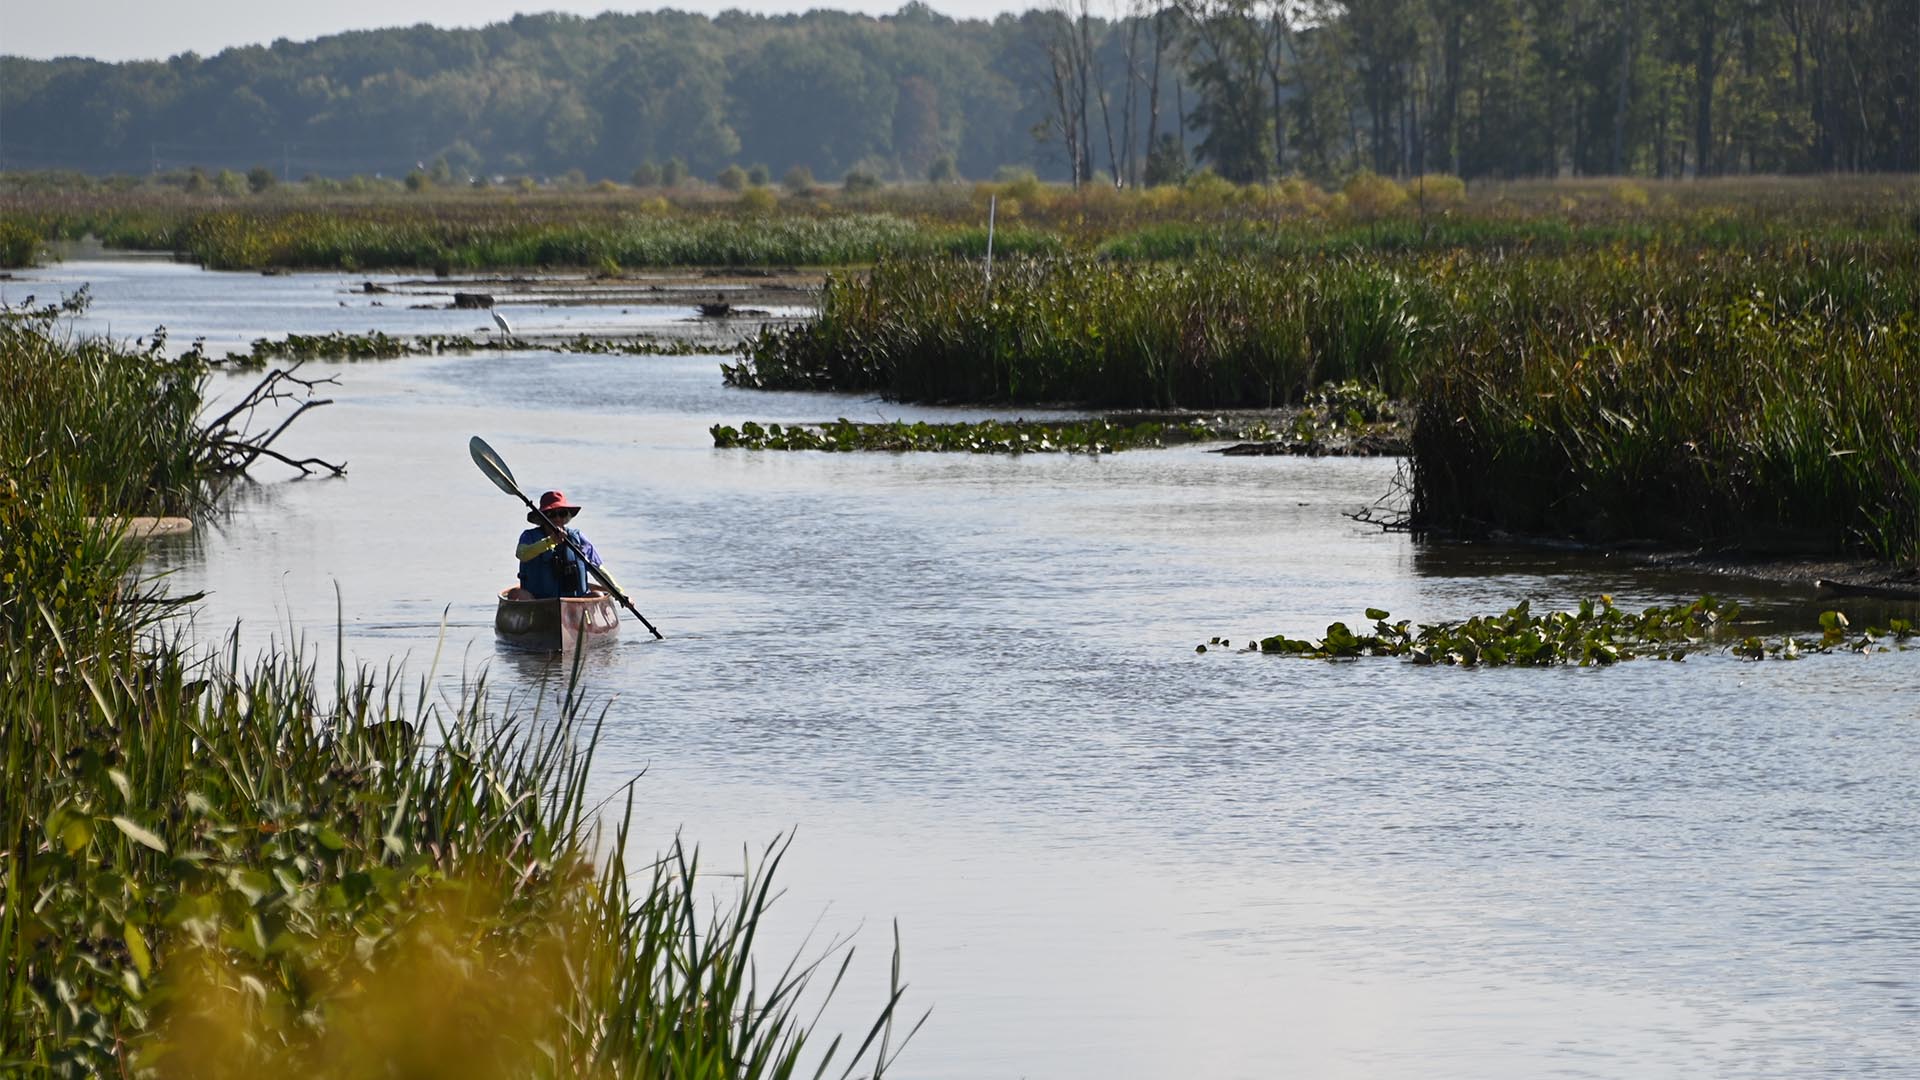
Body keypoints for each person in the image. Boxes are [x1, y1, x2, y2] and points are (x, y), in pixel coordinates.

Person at [515, 490, 616, 599]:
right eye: (552, 514)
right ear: (542, 517)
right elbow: (522, 554)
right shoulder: (529, 536)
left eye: (562, 514)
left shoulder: (577, 538)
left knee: (598, 595)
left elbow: (598, 569)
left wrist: (620, 593)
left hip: (573, 604)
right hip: (539, 602)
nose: (557, 518)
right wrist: (550, 541)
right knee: (516, 594)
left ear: (567, 516)